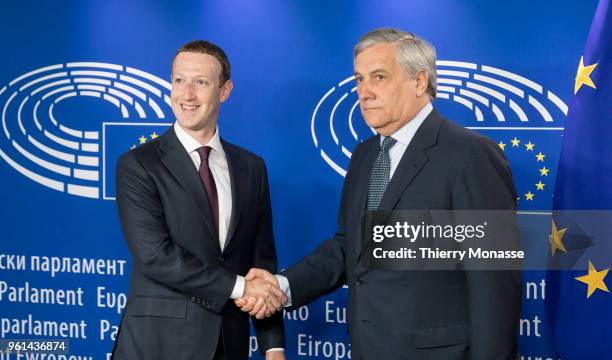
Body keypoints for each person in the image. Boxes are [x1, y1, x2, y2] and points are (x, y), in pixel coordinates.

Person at [237, 28, 521, 359]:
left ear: (419, 82)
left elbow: (494, 282)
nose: (364, 92)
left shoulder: (469, 153)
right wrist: (282, 287)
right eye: (359, 79)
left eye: (379, 77)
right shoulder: (365, 155)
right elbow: (349, 247)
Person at [113, 40, 286, 360]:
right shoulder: (138, 164)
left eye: (201, 82)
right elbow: (155, 256)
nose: (186, 94)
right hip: (158, 345)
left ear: (225, 90)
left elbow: (262, 265)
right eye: (179, 80)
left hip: (229, 344)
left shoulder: (251, 167)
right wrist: (241, 288)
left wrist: (273, 346)